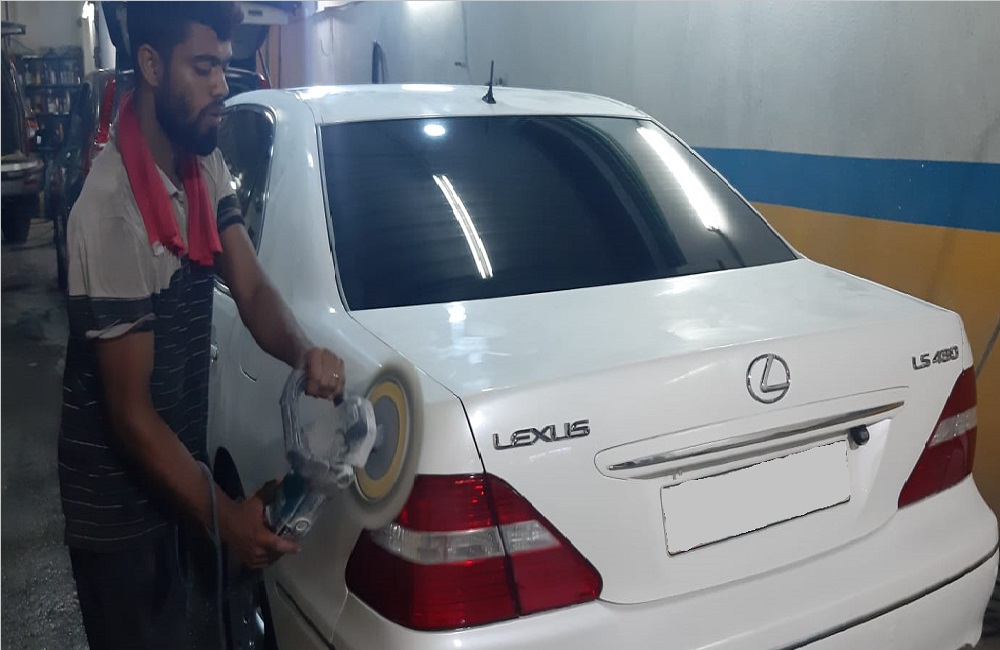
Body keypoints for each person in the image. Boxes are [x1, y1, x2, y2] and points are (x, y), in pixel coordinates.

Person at [58, 3, 344, 647]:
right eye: (204, 66)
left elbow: (251, 287)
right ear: (152, 65)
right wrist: (226, 518)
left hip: (178, 472)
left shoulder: (200, 165)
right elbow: (130, 417)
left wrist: (303, 351)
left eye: (224, 66)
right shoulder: (110, 213)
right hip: (117, 512)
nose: (221, 85)